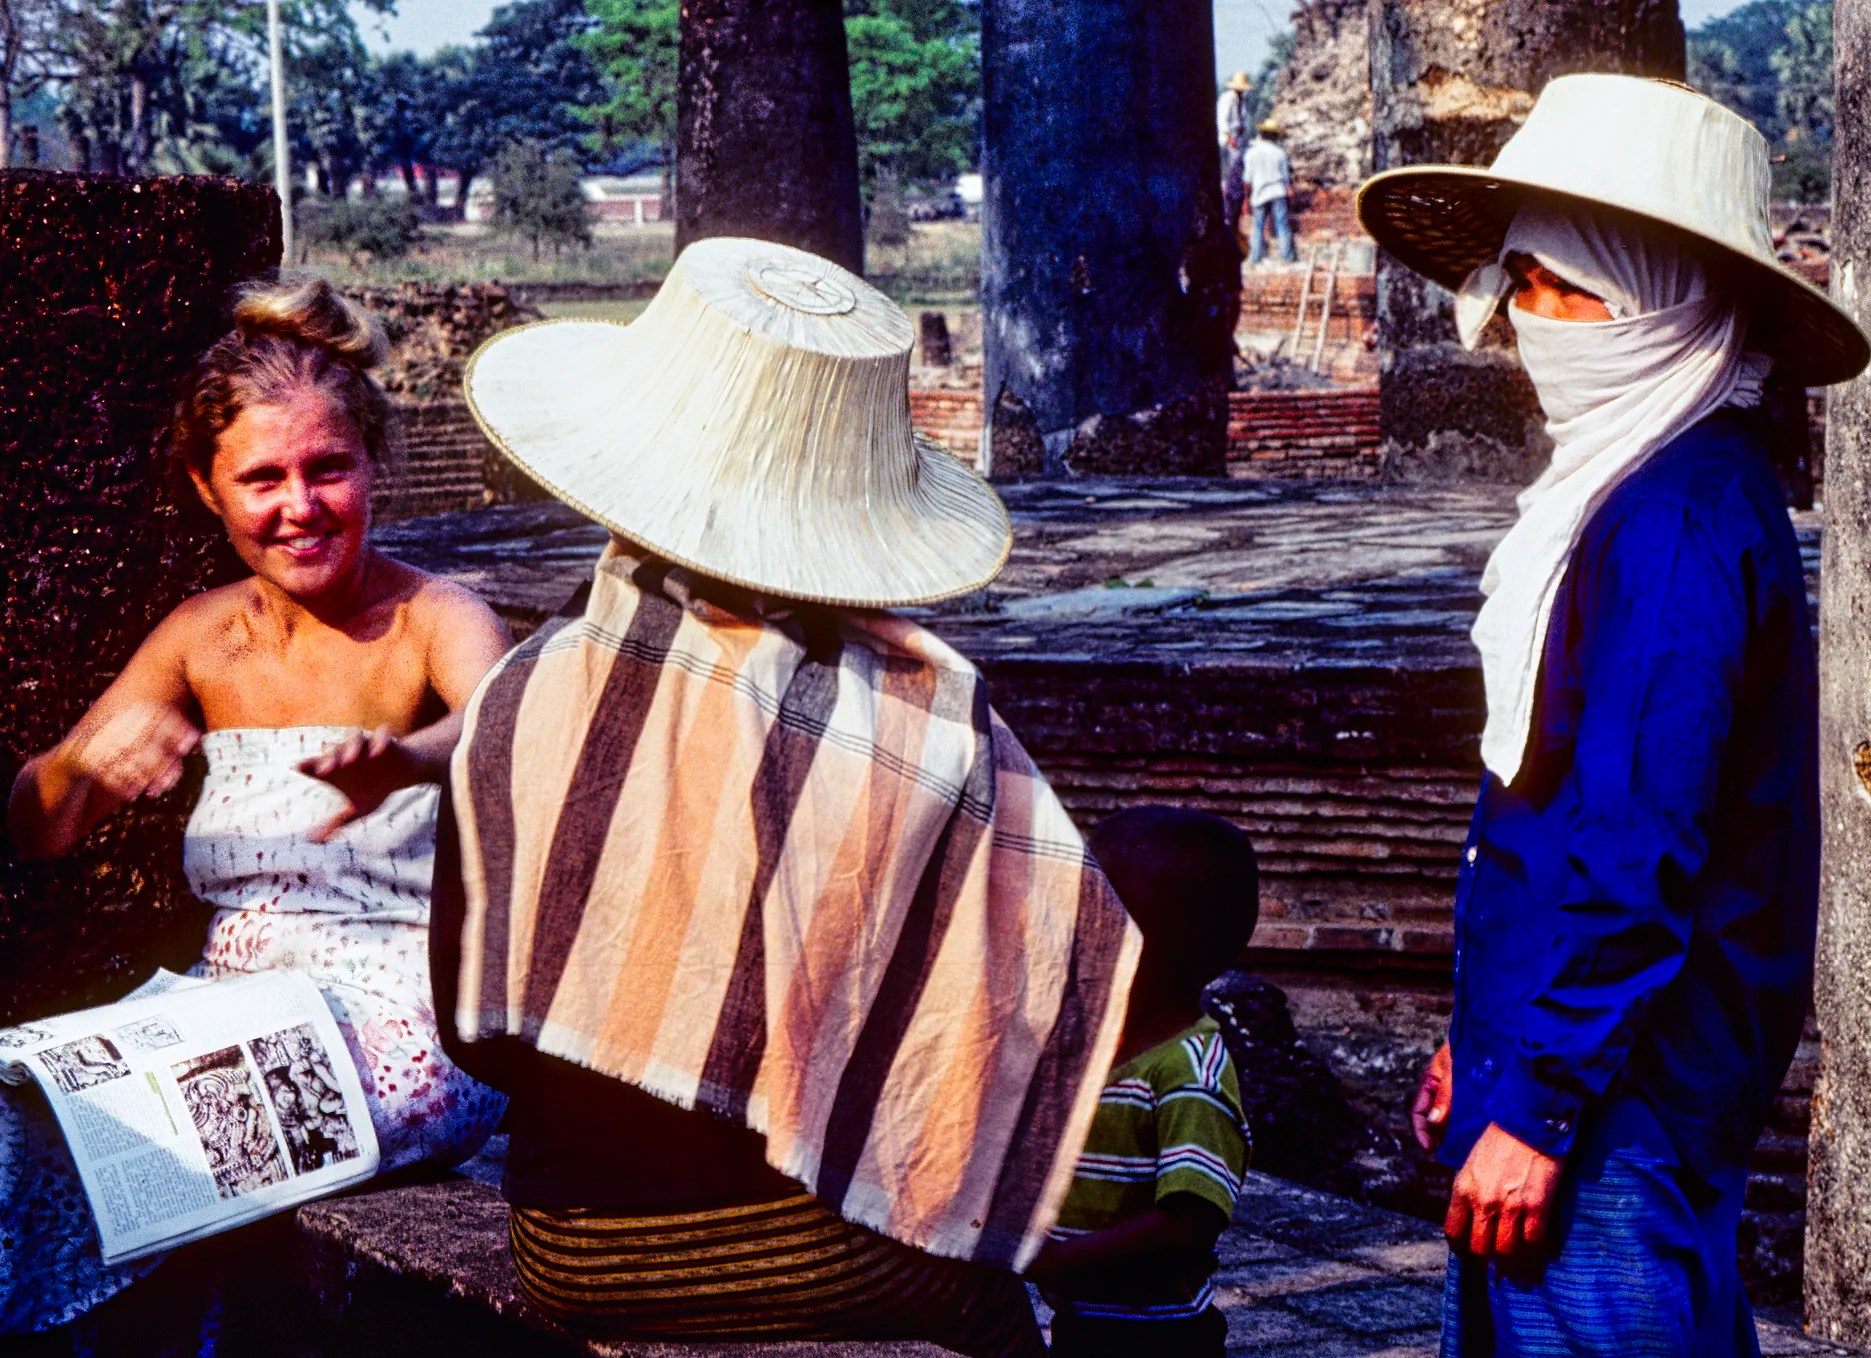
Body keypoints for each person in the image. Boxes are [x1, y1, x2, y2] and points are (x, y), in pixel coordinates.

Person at [434, 236, 1142, 1357]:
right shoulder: (919, 723)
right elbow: (1009, 1002)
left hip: (562, 1239)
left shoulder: (524, 690)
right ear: (855, 517)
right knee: (991, 1304)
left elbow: (473, 1032)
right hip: (785, 1232)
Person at [1356, 75, 1871, 1356]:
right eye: (1521, 283)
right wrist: (1481, 1035)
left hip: (1617, 1098)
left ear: (1665, 304)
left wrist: (1536, 1103)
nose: (1532, 321)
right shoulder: (1627, 486)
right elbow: (1547, 816)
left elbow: (1634, 849)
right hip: (1581, 1058)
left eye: (1569, 290)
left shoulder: (1673, 524)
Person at [1, 280, 511, 1334]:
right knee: (20, 1111)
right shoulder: (203, 634)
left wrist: (409, 759)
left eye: (329, 468)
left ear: (374, 463)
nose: (300, 506)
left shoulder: (434, 618)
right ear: (207, 487)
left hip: (407, 1029)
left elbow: (505, 727)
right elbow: (39, 827)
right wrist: (80, 763)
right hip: (224, 1006)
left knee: (135, 1138)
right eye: (262, 478)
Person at [1027, 807, 1256, 1358]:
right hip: (1085, 1320)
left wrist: (1061, 1260)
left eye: (1095, 912)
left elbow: (1190, 1221)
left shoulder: (1189, 1072)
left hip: (1158, 1337)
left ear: (1152, 946)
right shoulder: (1101, 1048)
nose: (1073, 926)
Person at [1244, 119, 1297, 266]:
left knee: (1258, 226)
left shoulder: (1251, 153)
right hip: (1277, 191)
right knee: (1282, 225)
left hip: (1259, 193)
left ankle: (1255, 258)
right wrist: (1288, 191)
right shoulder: (1280, 153)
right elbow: (1286, 178)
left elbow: (1247, 180)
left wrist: (1246, 199)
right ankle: (1286, 257)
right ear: (1274, 136)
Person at [1217, 70, 1252, 237]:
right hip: (1226, 139)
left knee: (1237, 168)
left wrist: (1241, 131)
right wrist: (1229, 137)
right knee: (1230, 172)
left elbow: (1242, 120)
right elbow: (1222, 121)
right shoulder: (1226, 99)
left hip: (1237, 139)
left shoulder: (1241, 100)